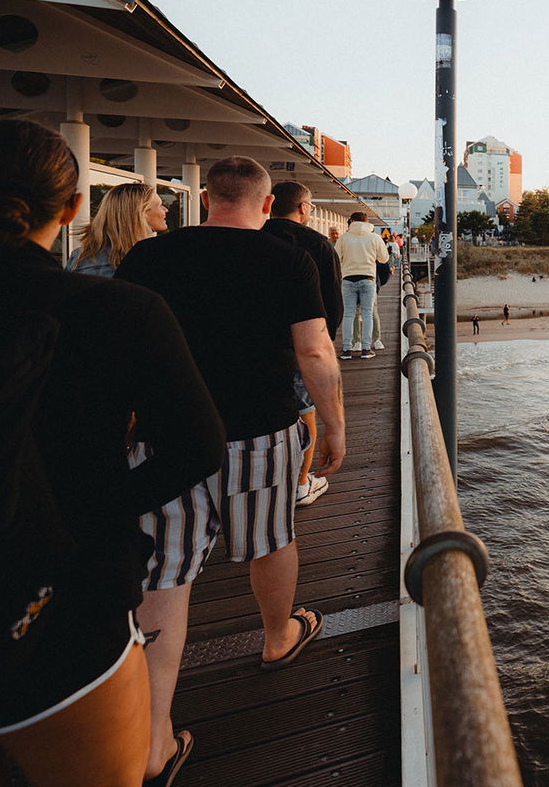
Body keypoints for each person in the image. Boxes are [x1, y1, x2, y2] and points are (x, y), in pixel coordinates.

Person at [0, 119, 223, 787]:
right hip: (59, 605)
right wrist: (97, 515)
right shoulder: (120, 308)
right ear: (73, 208)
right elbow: (199, 446)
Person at [116, 156, 345, 782]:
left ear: (209, 197)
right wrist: (336, 425)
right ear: (266, 204)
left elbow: (120, 348)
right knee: (271, 540)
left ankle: (155, 737)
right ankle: (278, 637)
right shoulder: (288, 260)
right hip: (260, 433)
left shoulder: (149, 256)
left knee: (165, 572)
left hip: (167, 439)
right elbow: (314, 350)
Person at [262, 181, 342, 507]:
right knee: (305, 410)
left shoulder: (254, 236)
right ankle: (301, 481)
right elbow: (332, 306)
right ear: (304, 208)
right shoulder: (319, 246)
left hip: (261, 344)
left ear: (269, 204)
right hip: (305, 341)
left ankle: (268, 479)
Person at [65, 181, 169, 277]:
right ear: (142, 213)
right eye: (160, 205)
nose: (166, 209)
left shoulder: (79, 257)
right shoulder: (150, 261)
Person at [334, 212, 388, 359]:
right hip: (368, 279)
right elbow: (384, 259)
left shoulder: (344, 238)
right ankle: (366, 349)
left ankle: (347, 350)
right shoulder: (374, 237)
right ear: (367, 222)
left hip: (348, 279)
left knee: (349, 315)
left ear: (351, 221)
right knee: (368, 314)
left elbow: (336, 257)